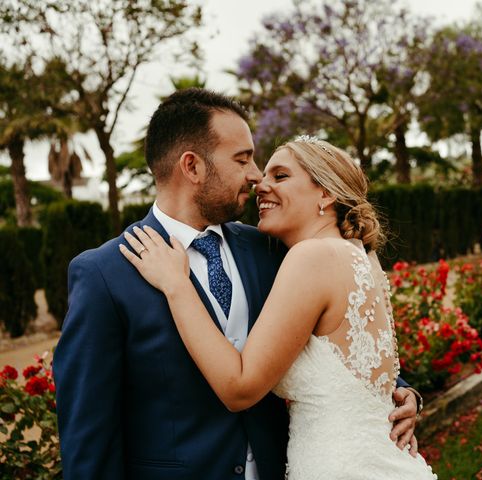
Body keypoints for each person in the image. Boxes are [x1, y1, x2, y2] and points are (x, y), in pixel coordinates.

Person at [53, 88, 421, 480]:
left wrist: (398, 394)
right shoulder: (105, 273)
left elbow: (335, 335)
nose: (256, 175)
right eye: (242, 159)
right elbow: (88, 431)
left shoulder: (271, 248)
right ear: (192, 167)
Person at [120, 134, 438, 479]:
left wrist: (177, 286)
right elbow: (354, 364)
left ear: (327, 193)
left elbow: (240, 388)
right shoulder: (356, 253)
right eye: (262, 172)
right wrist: (402, 391)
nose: (260, 183)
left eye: (280, 176)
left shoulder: (311, 257)